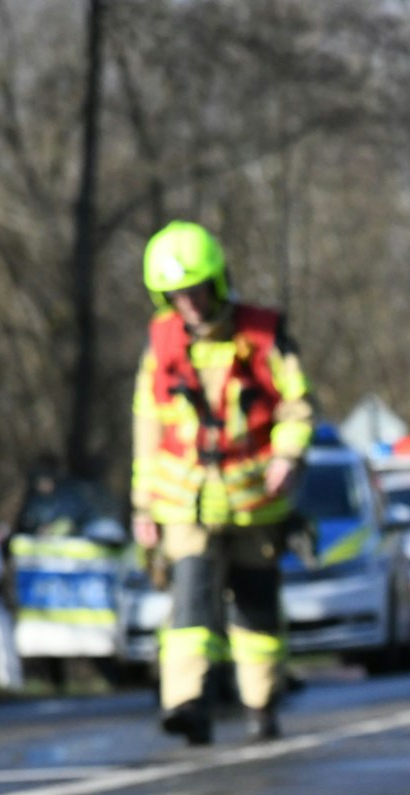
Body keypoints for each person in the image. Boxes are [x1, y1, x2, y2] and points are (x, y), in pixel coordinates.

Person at [131, 220, 312, 744]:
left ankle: (261, 704)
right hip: (184, 501)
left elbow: (298, 406)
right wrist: (143, 508)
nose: (186, 302)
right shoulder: (160, 343)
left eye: (194, 290)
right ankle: (188, 704)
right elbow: (148, 427)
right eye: (174, 294)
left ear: (217, 281)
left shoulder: (263, 335)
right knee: (190, 604)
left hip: (256, 501)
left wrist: (288, 453)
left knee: (255, 607)